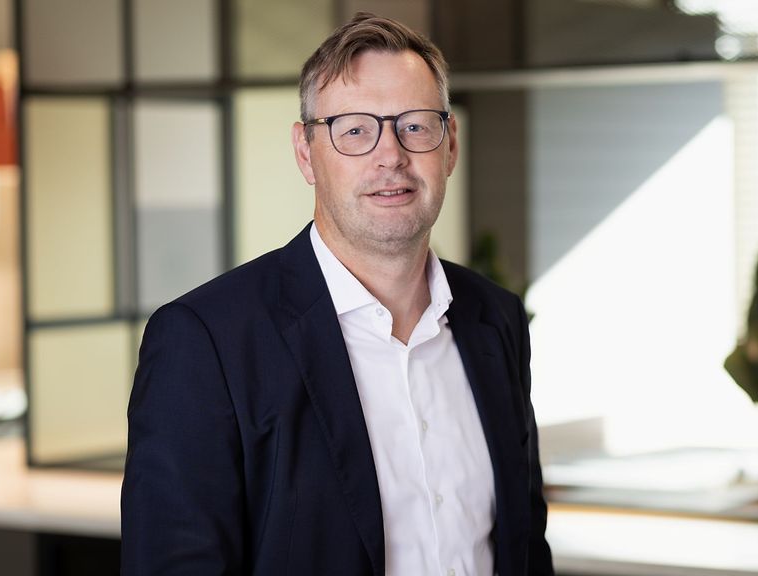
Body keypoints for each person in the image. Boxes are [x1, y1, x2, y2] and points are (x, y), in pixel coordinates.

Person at [121, 12, 552, 576]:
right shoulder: (206, 341)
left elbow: (526, 546)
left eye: (416, 126)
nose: (391, 155)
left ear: (450, 146)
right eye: (354, 130)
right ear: (306, 153)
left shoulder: (496, 320)